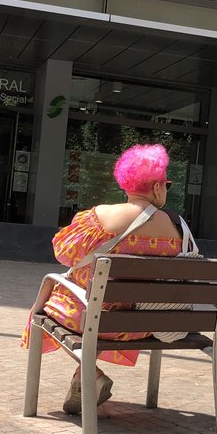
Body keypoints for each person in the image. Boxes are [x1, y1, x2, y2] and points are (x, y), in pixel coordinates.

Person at [20, 143, 183, 414]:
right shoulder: (177, 229)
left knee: (59, 304)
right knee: (96, 308)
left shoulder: (100, 216)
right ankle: (82, 379)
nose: (166, 189)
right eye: (167, 184)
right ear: (156, 187)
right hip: (145, 324)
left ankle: (91, 375)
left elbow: (63, 253)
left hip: (96, 319)